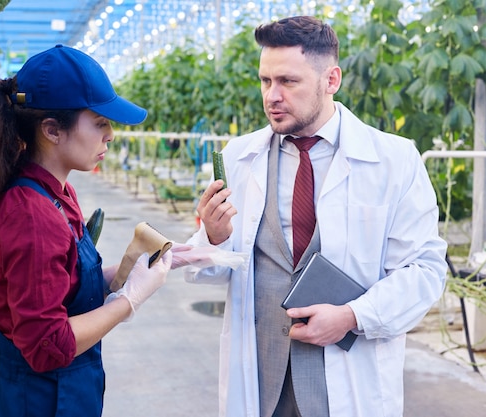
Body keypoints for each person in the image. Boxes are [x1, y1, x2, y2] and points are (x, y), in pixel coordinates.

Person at [182, 16, 448, 417]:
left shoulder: (394, 161)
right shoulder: (238, 158)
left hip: (346, 376)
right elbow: (213, 270)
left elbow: (425, 270)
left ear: (331, 80)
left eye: (288, 82)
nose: (272, 95)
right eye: (265, 81)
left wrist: (351, 316)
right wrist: (213, 239)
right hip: (261, 375)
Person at [0, 44, 172, 417]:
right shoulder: (30, 215)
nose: (110, 135)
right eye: (100, 122)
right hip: (34, 401)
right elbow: (46, 345)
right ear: (52, 130)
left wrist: (128, 271)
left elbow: (61, 280)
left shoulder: (55, 191)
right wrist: (129, 301)